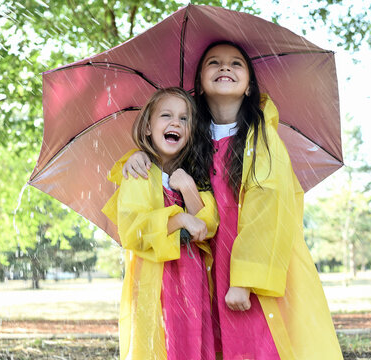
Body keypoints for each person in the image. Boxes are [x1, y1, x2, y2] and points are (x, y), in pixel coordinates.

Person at [123, 42, 343, 359]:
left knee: (254, 343)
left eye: (236, 64)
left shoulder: (261, 140)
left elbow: (268, 211)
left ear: (250, 85)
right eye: (214, 62)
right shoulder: (191, 137)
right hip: (200, 265)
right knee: (211, 345)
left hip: (248, 264)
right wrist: (139, 156)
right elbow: (165, 172)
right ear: (199, 83)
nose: (225, 67)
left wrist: (245, 280)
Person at [102, 87, 219, 360]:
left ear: (191, 132)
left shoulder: (197, 175)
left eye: (184, 119)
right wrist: (178, 218)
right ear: (147, 128)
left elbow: (206, 227)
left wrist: (188, 188)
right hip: (153, 280)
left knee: (191, 341)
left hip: (192, 278)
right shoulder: (137, 172)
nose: (175, 123)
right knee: (158, 344)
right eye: (166, 115)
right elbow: (133, 231)